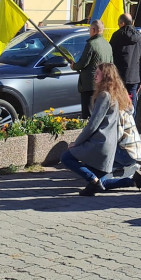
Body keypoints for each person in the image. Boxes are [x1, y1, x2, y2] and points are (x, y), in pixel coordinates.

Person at [60, 63, 124, 195]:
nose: (94, 76)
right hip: (107, 145)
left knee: (66, 157)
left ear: (105, 76)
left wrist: (76, 143)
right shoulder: (113, 94)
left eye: (98, 73)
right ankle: (131, 181)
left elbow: (93, 125)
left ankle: (93, 181)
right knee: (101, 181)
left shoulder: (104, 96)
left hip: (99, 144)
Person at [99, 101, 141, 192]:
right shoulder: (126, 112)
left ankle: (132, 180)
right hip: (133, 152)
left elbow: (115, 138)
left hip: (127, 154)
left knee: (102, 150)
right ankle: (130, 173)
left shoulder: (118, 114)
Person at [71, 19, 113, 119]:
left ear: (94, 29)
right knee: (99, 114)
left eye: (90, 29)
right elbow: (111, 64)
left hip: (90, 85)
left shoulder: (91, 44)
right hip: (104, 84)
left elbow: (83, 63)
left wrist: (74, 66)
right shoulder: (108, 45)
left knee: (88, 115)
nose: (89, 32)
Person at [109, 13, 141, 102]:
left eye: (118, 24)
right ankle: (131, 116)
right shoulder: (140, 37)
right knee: (131, 103)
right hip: (134, 77)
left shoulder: (116, 36)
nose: (118, 26)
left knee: (118, 102)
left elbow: (110, 55)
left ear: (122, 23)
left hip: (118, 75)